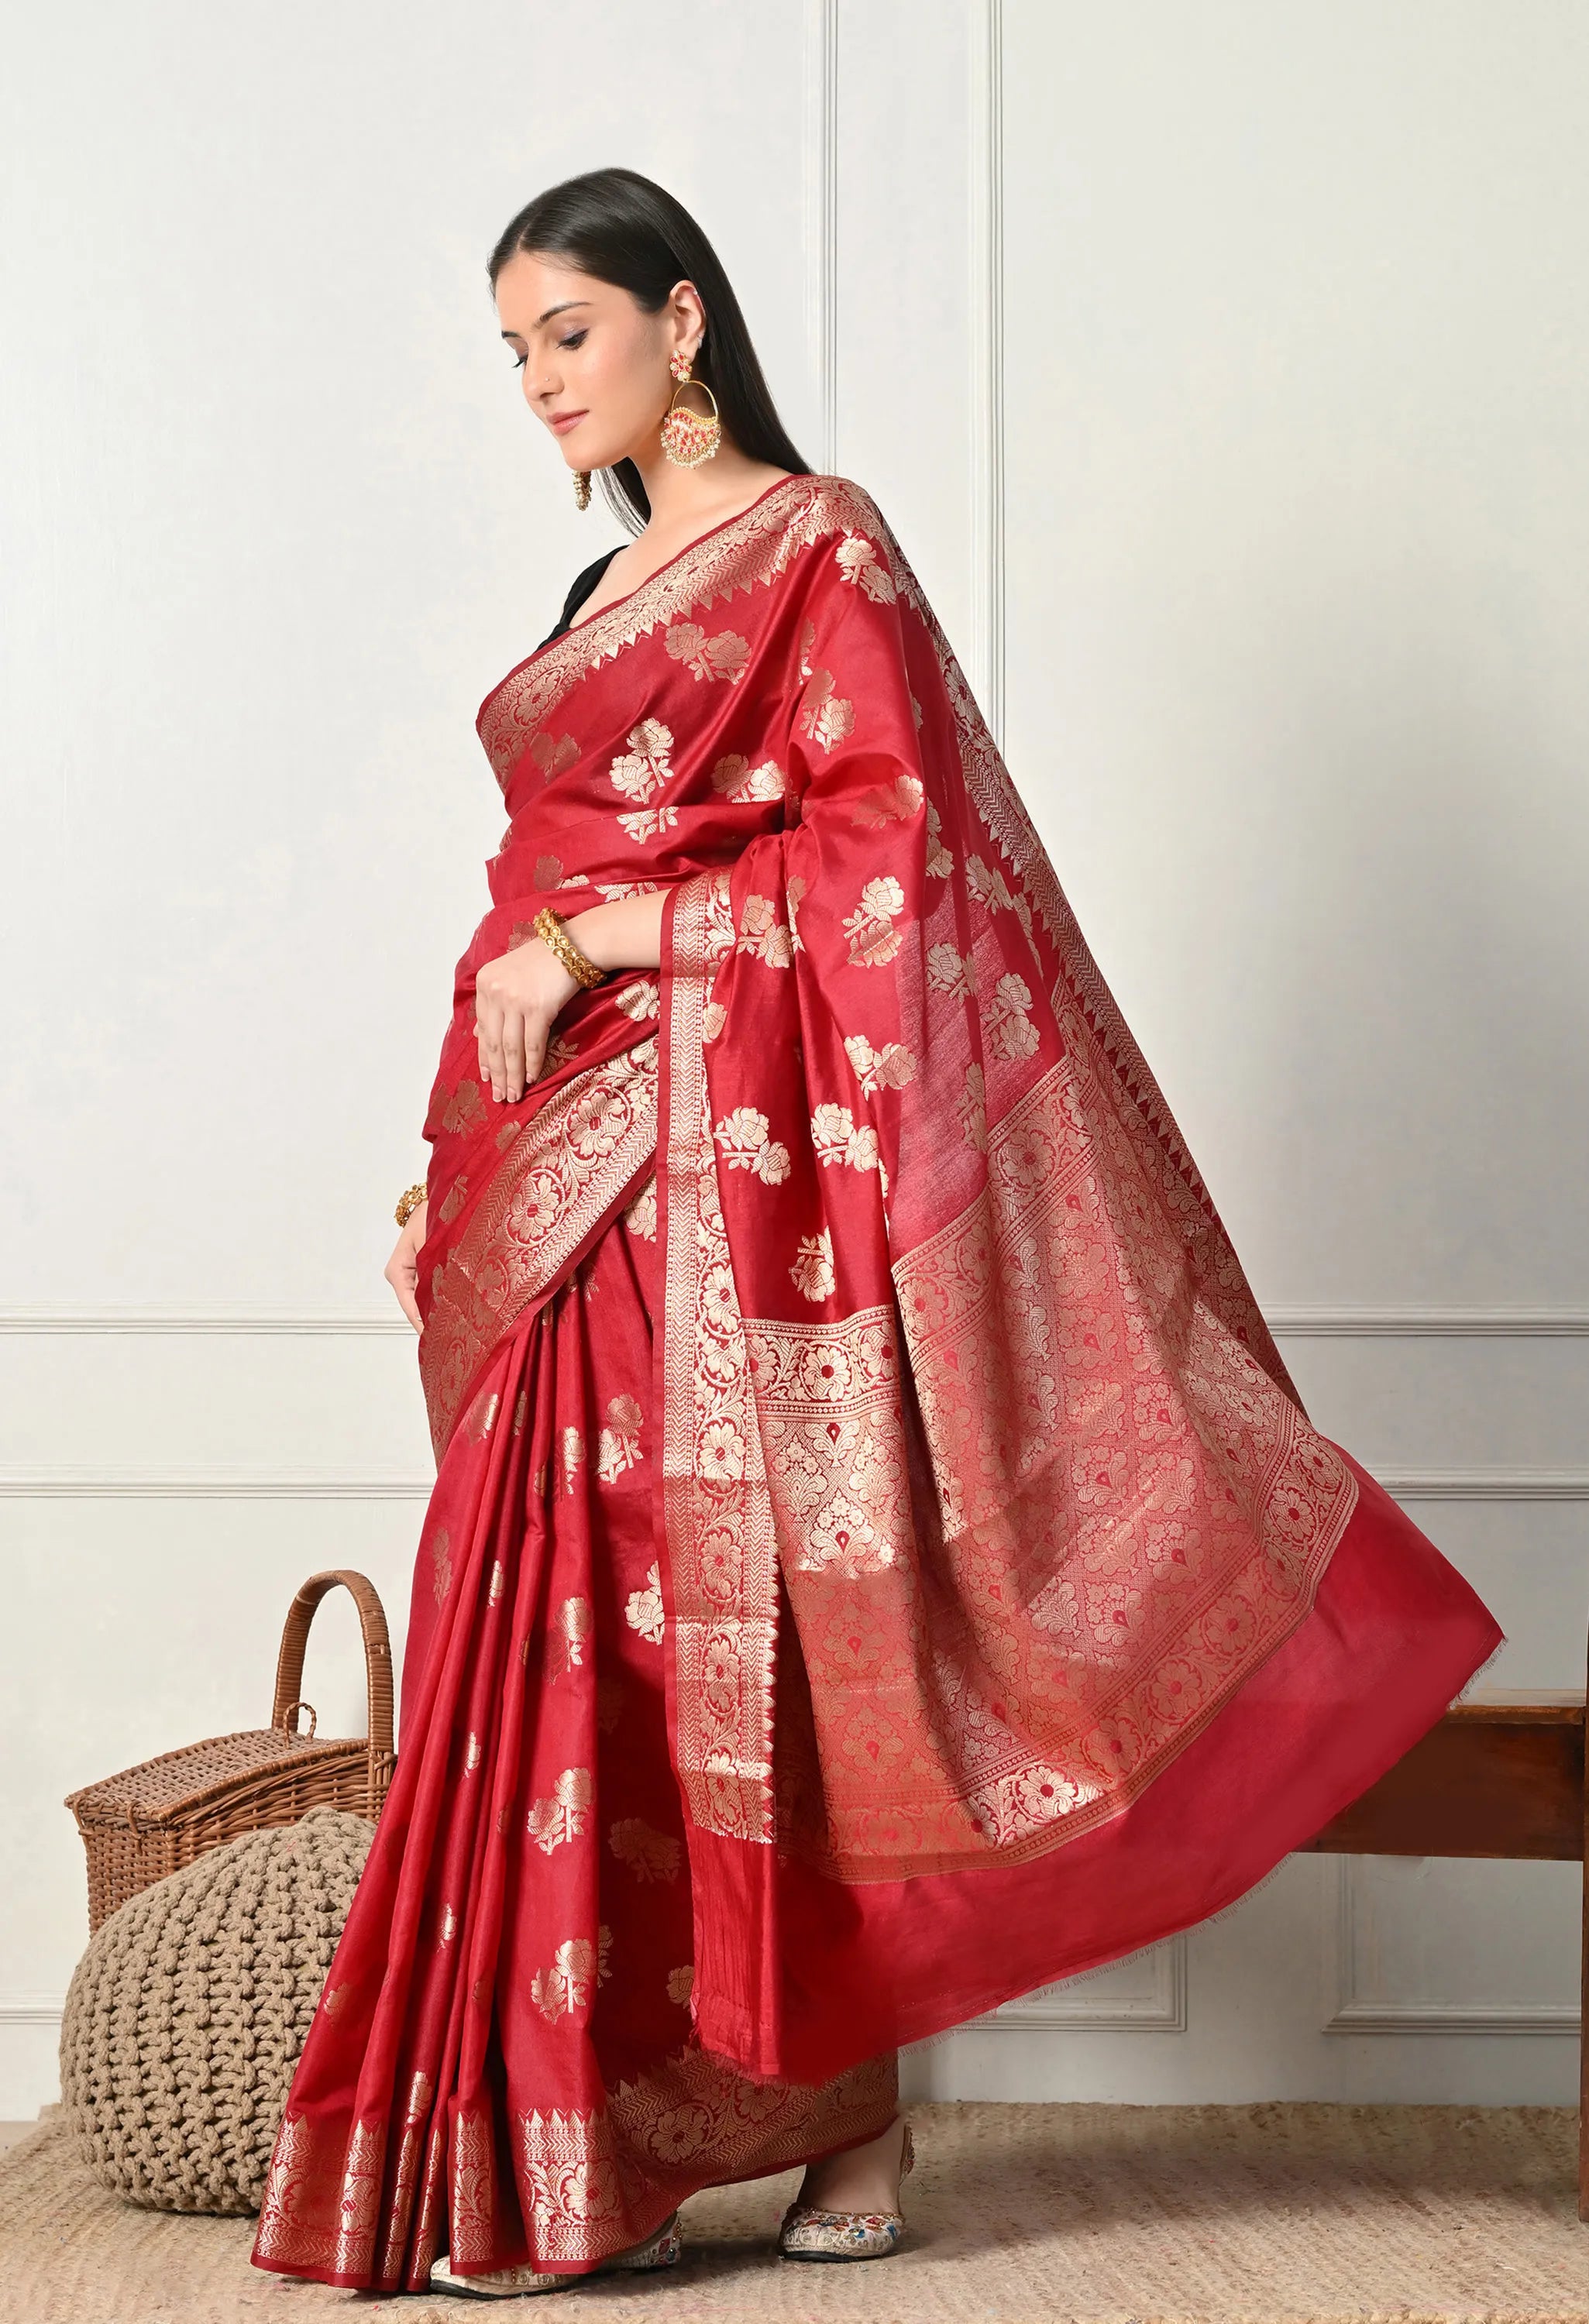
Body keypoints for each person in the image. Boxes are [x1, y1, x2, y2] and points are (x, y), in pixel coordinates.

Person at [250, 166, 1502, 2298]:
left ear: (680, 320)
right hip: (548, 1177)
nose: (538, 382)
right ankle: (572, 2157)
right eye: (514, 352)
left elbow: (886, 882)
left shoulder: (816, 544)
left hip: (719, 1186)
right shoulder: (591, 604)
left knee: (746, 1632)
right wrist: (445, 1168)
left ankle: (842, 2127)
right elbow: (518, 919)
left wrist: (607, 928)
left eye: (566, 332)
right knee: (564, 1626)